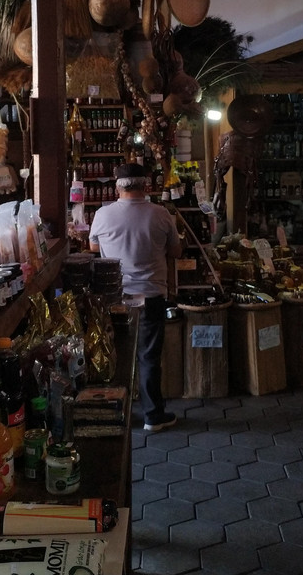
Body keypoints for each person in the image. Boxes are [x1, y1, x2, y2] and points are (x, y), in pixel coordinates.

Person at [89, 162, 182, 431]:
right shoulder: (161, 214)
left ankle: (119, 413)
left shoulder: (103, 215)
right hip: (151, 294)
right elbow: (175, 252)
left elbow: (94, 246)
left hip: (117, 295)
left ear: (118, 186)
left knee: (116, 354)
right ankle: (153, 415)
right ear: (146, 186)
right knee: (148, 355)